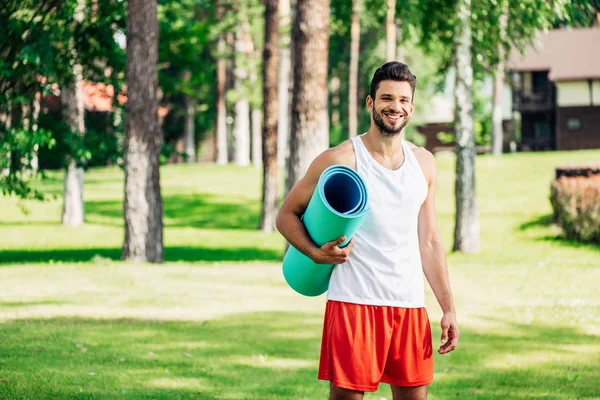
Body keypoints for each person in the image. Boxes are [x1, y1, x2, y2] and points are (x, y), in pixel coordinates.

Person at [276, 61, 459, 400]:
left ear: (412, 106)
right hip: (353, 302)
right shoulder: (340, 159)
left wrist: (447, 307)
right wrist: (315, 253)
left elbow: (430, 241)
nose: (396, 107)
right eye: (387, 98)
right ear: (370, 103)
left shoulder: (424, 164)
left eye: (403, 100)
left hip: (409, 305)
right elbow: (286, 215)